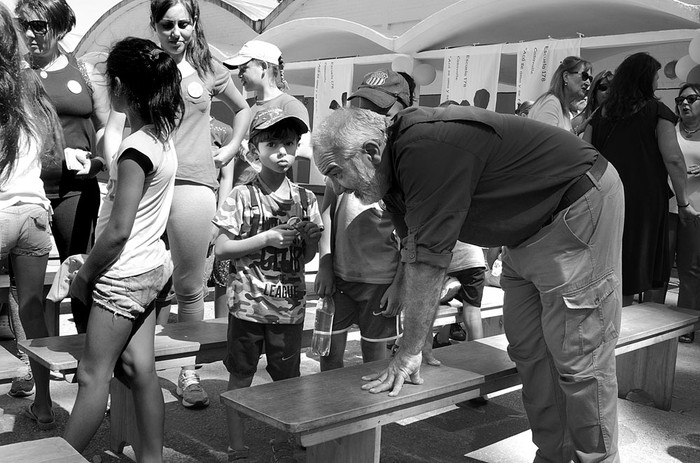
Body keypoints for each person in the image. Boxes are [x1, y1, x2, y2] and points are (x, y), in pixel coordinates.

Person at [313, 106, 625, 462]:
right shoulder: (390, 168)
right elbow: (414, 250)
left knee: (579, 357)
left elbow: (431, 261)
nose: (337, 188)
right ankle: (554, 456)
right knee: (529, 351)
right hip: (524, 231)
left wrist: (411, 350)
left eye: (337, 173)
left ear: (371, 150)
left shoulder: (424, 148)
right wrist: (419, 335)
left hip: (577, 206)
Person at [63, 37, 182, 461]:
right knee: (139, 370)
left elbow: (117, 231)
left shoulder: (134, 149)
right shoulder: (161, 136)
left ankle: (56, 456)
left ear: (119, 87)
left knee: (93, 376)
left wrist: (84, 276)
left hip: (123, 273)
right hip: (152, 268)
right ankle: (152, 458)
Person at [150, 0, 251, 409]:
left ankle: (187, 372)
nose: (176, 33)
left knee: (190, 288)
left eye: (184, 24)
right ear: (155, 26)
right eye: (168, 24)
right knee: (143, 283)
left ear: (194, 25)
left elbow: (243, 110)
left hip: (193, 186)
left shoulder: (209, 65)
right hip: (149, 183)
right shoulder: (146, 64)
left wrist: (228, 149)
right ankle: (137, 368)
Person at [214, 107, 322, 462]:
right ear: (253, 150)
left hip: (288, 308)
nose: (282, 152)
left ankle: (286, 442)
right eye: (272, 143)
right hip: (247, 305)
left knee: (287, 383)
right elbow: (222, 249)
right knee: (240, 377)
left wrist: (306, 240)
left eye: (289, 144)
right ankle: (236, 445)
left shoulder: (306, 200)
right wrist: (267, 238)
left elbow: (305, 259)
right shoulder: (242, 196)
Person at [16, 0, 126, 334]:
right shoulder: (13, 74)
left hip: (76, 191)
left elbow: (108, 126)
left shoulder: (85, 71)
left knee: (80, 273)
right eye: (24, 25)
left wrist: (100, 161)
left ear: (60, 26)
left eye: (40, 25)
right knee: (26, 288)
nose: (31, 33)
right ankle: (29, 360)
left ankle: (87, 353)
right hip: (25, 194)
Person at [314, 69, 412, 371]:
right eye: (361, 107)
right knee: (329, 353)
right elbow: (327, 212)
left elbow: (412, 237)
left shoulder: (401, 170)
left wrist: (399, 284)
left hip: (381, 283)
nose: (367, 115)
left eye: (377, 109)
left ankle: (371, 418)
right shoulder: (343, 161)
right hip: (341, 279)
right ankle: (330, 413)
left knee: (375, 359)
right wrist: (326, 263)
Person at [585, 52, 695, 307]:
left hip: (604, 196)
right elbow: (674, 159)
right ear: (646, 79)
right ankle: (621, 322)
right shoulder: (658, 111)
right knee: (632, 264)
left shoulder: (601, 113)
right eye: (655, 76)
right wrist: (682, 201)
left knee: (605, 259)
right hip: (642, 200)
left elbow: (586, 153)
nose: (658, 82)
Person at [0, 2, 63, 429]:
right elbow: (53, 148)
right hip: (37, 213)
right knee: (32, 309)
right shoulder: (30, 82)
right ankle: (44, 406)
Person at [223, 39, 310, 185]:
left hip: (269, 196)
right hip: (240, 193)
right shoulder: (246, 108)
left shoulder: (290, 105)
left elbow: (305, 150)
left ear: (263, 66)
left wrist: (260, 151)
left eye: (244, 68)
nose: (239, 74)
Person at [668, 83, 700, 343]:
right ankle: (655, 323)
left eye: (691, 98)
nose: (684, 103)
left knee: (690, 268)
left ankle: (685, 324)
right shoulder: (671, 129)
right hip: (668, 206)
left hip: (697, 209)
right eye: (680, 99)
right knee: (661, 263)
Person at [528, 56, 592, 133]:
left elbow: (560, 139)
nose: (588, 82)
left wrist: (578, 130)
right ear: (565, 76)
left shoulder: (563, 108)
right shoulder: (551, 103)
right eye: (584, 76)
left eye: (590, 79)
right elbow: (547, 142)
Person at [572, 70, 613, 137]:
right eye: (604, 87)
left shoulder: (616, 122)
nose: (608, 91)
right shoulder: (579, 120)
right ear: (594, 91)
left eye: (612, 88)